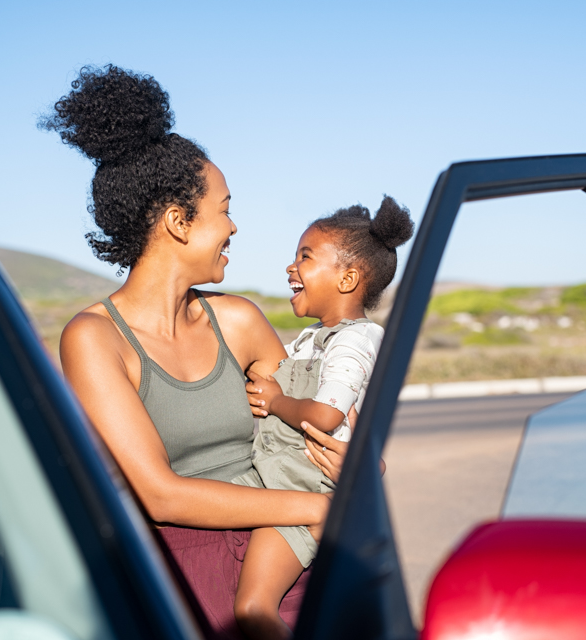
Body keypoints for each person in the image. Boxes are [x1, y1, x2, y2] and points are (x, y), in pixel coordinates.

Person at [40, 64, 343, 638]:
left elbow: (307, 428)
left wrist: (351, 461)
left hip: (284, 557)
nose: (234, 226)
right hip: (187, 580)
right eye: (224, 208)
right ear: (179, 222)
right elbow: (160, 495)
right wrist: (317, 508)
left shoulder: (239, 320)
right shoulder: (95, 339)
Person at [232, 200, 414, 640]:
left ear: (347, 279)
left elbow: (327, 414)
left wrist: (276, 401)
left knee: (254, 609)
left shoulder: (355, 342)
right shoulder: (314, 338)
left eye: (305, 256)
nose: (291, 266)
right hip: (281, 477)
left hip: (306, 488)